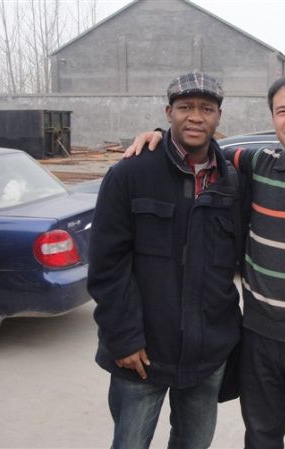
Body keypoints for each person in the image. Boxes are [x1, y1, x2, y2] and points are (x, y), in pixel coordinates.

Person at [125, 73, 285, 449]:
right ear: (272, 118)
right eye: (282, 111)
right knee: (260, 436)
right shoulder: (260, 163)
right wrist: (161, 137)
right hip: (258, 338)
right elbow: (203, 148)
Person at [87, 71, 245, 449]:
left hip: (207, 354)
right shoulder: (131, 174)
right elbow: (107, 267)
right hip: (141, 355)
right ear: (168, 112)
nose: (195, 117)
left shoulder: (233, 181)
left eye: (206, 109)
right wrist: (124, 339)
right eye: (185, 107)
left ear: (219, 116)